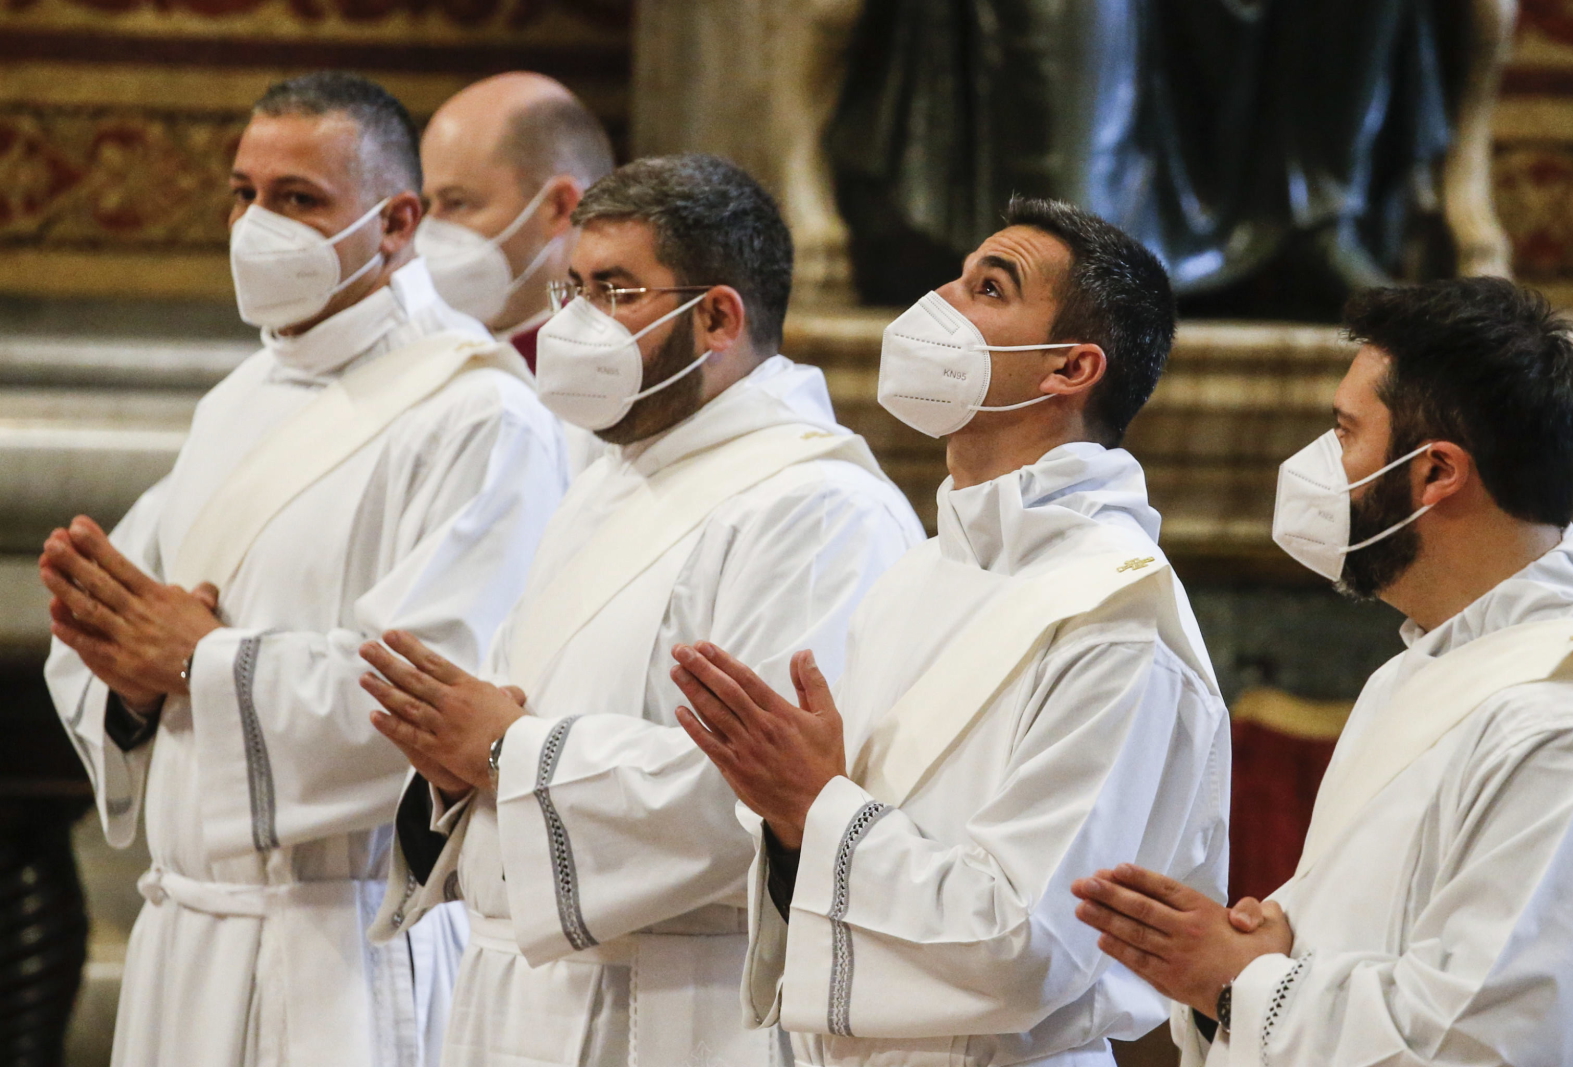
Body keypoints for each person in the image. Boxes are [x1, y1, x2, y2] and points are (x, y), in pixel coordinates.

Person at [39, 71, 568, 1067]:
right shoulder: (238, 398)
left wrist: (203, 662)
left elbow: (439, 699)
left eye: (297, 200)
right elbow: (137, 632)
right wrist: (124, 673)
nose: (255, 226)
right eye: (244, 193)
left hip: (341, 945)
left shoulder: (477, 414)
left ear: (397, 219)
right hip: (188, 930)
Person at [359, 154, 924, 1067]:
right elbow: (513, 712)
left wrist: (504, 752)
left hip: (684, 1008)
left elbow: (757, 796)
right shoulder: (607, 481)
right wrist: (456, 762)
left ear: (718, 317)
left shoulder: (817, 508)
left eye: (616, 292)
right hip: (522, 996)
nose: (578, 324)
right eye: (572, 290)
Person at [671, 197, 1232, 1066]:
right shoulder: (917, 575)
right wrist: (791, 824)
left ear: (1070, 367)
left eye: (988, 286)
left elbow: (1030, 947)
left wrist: (815, 806)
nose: (940, 299)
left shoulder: (1116, 617)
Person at [1072, 278, 1573, 1067]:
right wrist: (1261, 953)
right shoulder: (1428, 665)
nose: (1322, 466)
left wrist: (1237, 980)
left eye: (1345, 432)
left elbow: (1492, 1043)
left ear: (1437, 473)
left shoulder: (1564, 721)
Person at [415, 71, 614, 479]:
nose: (430, 232)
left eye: (458, 203)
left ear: (559, 207)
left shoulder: (617, 389)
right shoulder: (413, 356)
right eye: (427, 204)